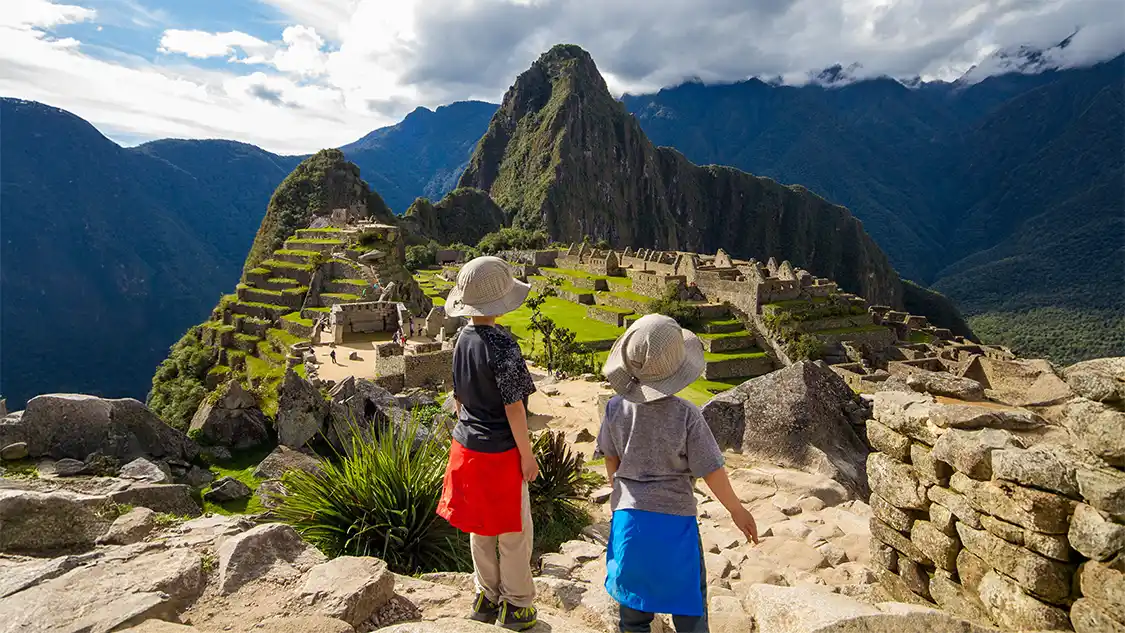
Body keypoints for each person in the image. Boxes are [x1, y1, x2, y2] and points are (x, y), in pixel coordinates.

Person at [597, 314, 759, 633]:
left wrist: (618, 493)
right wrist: (736, 510)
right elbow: (711, 469)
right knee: (689, 609)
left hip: (629, 521)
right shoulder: (686, 414)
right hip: (674, 524)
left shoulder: (615, 408)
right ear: (676, 369)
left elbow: (610, 458)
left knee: (633, 614)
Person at [437, 256, 540, 631]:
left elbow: (459, 398)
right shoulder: (503, 346)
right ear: (500, 302)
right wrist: (527, 457)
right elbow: (515, 408)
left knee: (480, 527)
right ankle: (517, 605)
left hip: (466, 448)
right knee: (513, 532)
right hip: (500, 451)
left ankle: (485, 596)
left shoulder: (460, 340)